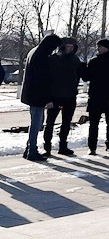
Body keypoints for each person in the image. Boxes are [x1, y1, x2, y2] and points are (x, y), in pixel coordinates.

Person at [20, 33, 60, 161]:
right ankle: (32, 151)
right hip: (37, 95)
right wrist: (48, 98)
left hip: (31, 94)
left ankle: (29, 149)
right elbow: (42, 79)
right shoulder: (41, 56)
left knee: (36, 123)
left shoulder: (34, 52)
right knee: (36, 124)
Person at [43, 37, 83, 156]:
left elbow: (79, 76)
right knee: (50, 122)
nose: (70, 49)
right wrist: (48, 98)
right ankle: (47, 147)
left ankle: (63, 146)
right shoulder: (53, 60)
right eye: (68, 46)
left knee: (66, 122)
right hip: (54, 96)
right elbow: (47, 79)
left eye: (72, 47)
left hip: (70, 96)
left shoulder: (75, 60)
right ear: (62, 46)